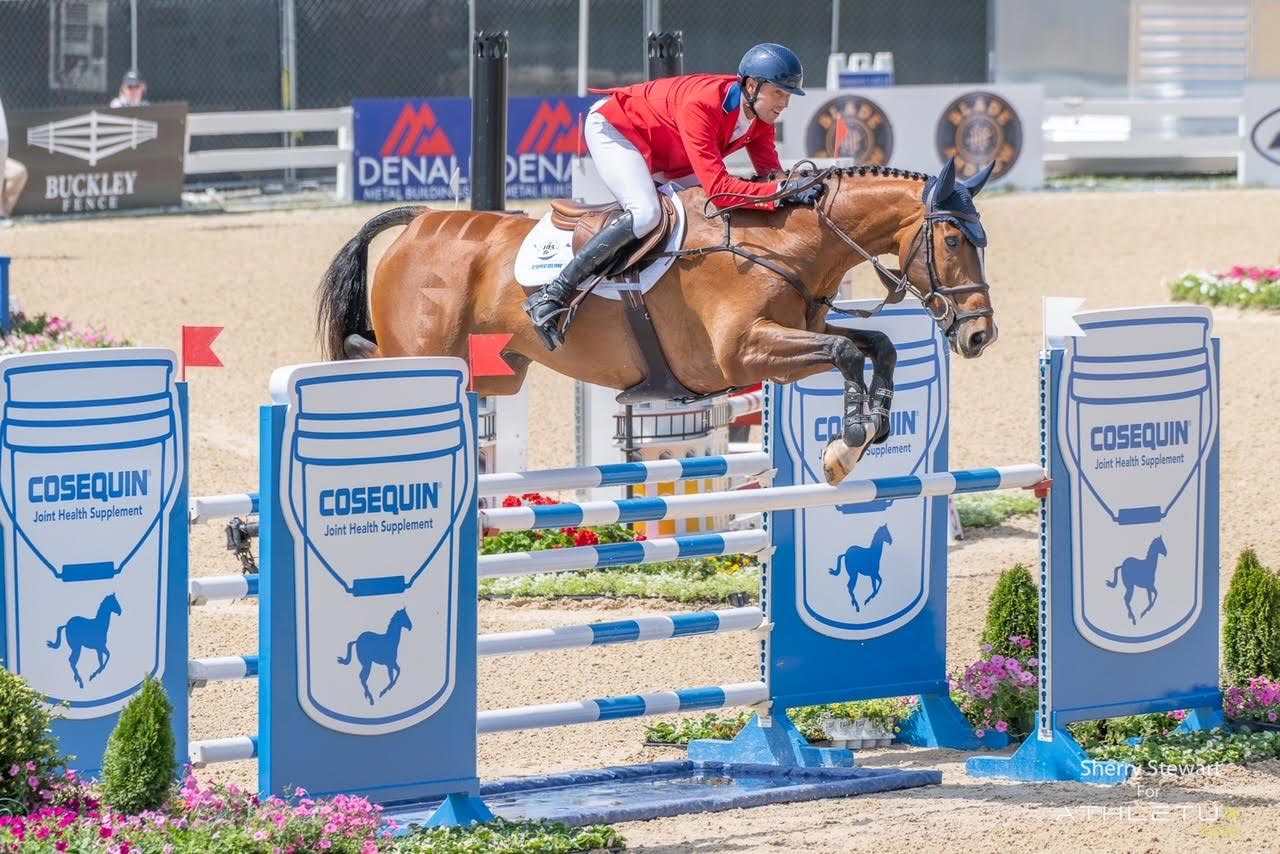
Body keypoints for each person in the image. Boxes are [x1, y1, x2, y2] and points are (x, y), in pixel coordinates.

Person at [522, 43, 825, 351]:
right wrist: (780, 191)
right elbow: (721, 190)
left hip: (671, 151)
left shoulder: (761, 119)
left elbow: (770, 175)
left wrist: (795, 187)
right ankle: (554, 293)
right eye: (779, 94)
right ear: (751, 85)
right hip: (617, 130)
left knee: (703, 213)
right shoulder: (703, 104)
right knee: (645, 214)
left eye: (788, 96)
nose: (784, 104)